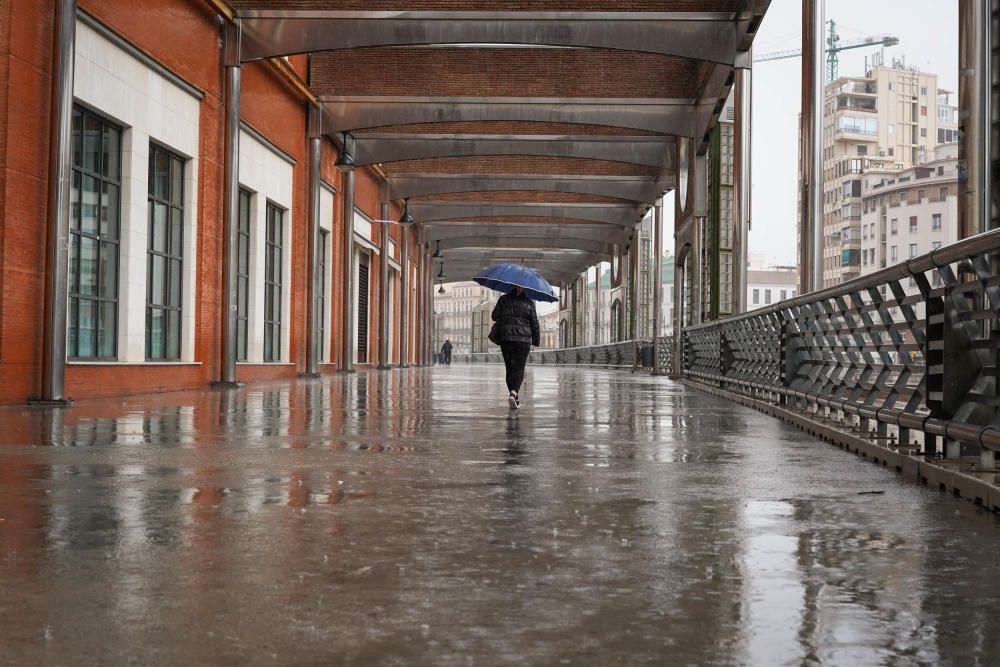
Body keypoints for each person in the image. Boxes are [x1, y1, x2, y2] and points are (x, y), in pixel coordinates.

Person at [491, 286, 540, 410]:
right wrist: (536, 340)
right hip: (523, 341)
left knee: (510, 368)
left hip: (506, 339)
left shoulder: (503, 299)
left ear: (511, 286)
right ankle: (514, 393)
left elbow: (494, 316)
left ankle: (513, 395)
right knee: (519, 368)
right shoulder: (529, 303)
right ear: (524, 289)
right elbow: (534, 323)